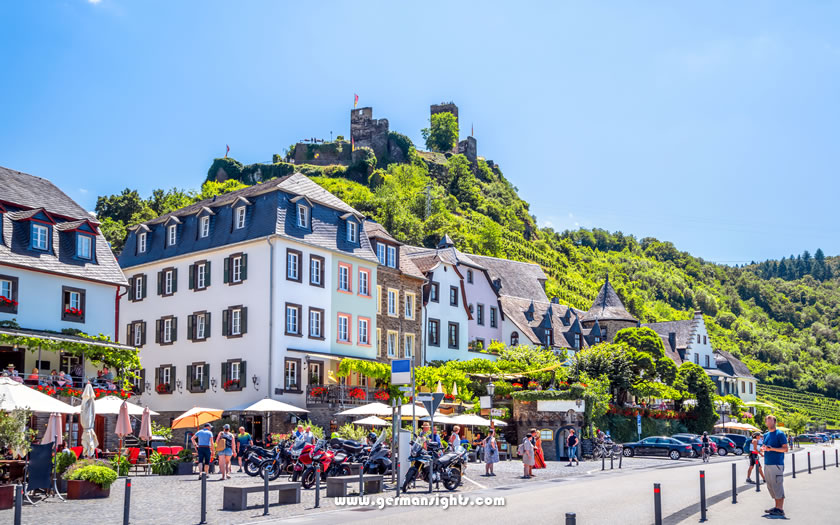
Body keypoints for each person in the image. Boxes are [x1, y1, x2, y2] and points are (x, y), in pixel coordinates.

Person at [761, 415, 789, 517]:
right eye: (766, 421)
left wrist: (772, 449)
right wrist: (763, 449)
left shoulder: (780, 434)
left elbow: (785, 449)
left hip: (777, 464)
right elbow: (765, 446)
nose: (768, 422)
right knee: (771, 486)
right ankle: (776, 507)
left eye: (770, 421)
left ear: (774, 422)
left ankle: (780, 509)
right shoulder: (766, 434)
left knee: (777, 485)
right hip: (767, 463)